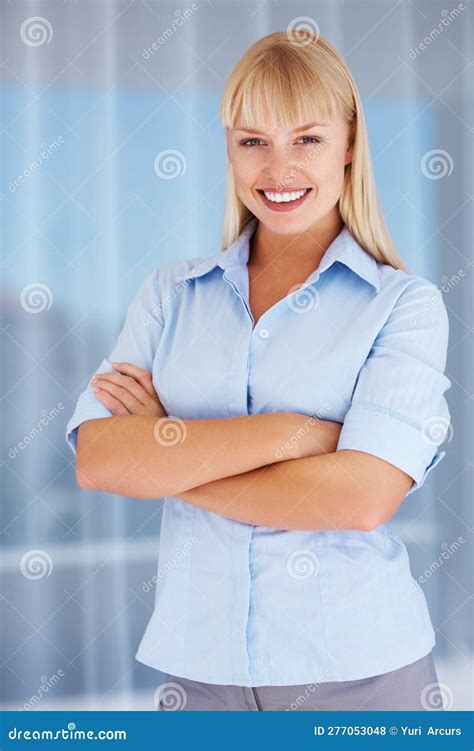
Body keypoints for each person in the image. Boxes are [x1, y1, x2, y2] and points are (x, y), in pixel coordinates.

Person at [65, 31, 451, 711]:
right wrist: (292, 433)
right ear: (228, 148)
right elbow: (99, 459)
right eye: (253, 141)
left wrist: (169, 455)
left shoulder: (404, 305)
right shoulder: (169, 295)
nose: (278, 169)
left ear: (351, 144)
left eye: (306, 139)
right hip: (199, 676)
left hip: (363, 675)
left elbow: (358, 499)